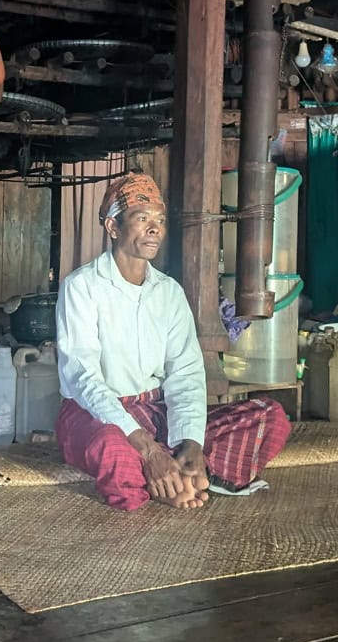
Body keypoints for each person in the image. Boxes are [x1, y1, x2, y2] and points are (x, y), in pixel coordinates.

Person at [55, 172, 291, 511]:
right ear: (113, 227)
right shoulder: (82, 287)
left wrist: (190, 443)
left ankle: (178, 472)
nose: (155, 229)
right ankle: (168, 476)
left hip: (153, 411)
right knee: (113, 449)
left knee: (270, 416)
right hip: (96, 415)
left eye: (160, 221)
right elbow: (82, 378)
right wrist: (148, 449)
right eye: (142, 219)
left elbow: (185, 372)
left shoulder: (168, 292)